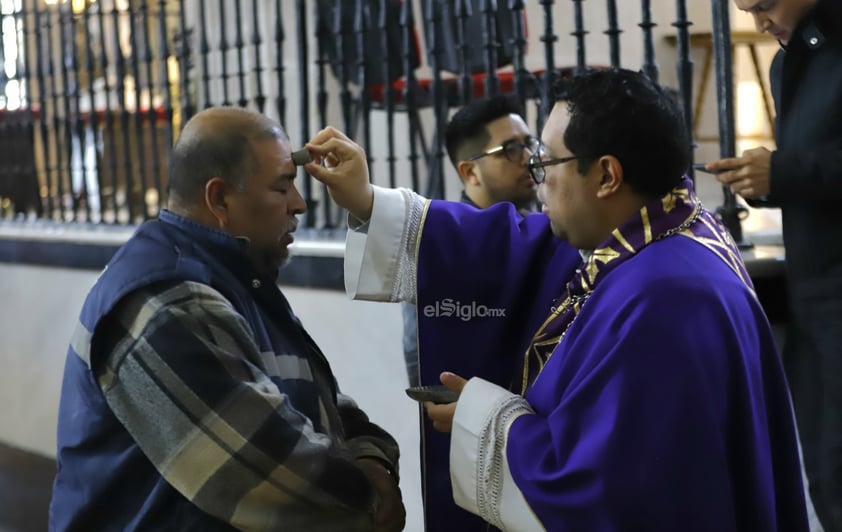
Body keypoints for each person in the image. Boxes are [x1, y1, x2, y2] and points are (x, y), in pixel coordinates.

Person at [303, 69, 809, 530]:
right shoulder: (673, 233)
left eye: (545, 162)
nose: (535, 180)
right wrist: (369, 200)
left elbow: (603, 495)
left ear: (607, 175)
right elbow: (515, 243)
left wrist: (483, 419)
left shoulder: (665, 299)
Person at [48, 107, 405, 531]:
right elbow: (270, 473)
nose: (300, 204)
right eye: (282, 186)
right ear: (219, 198)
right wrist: (370, 496)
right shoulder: (168, 298)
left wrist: (373, 456)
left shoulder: (234, 280)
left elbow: (318, 402)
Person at [707, 1, 842, 529]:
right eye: (746, 9)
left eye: (764, 5)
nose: (757, 22)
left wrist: (783, 171)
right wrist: (761, 181)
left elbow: (808, 169)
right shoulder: (790, 61)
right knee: (827, 474)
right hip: (816, 307)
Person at [402, 94, 540, 387]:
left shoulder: (542, 231)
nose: (529, 157)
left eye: (530, 143)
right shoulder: (442, 246)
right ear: (470, 171)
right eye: (512, 149)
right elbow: (423, 356)